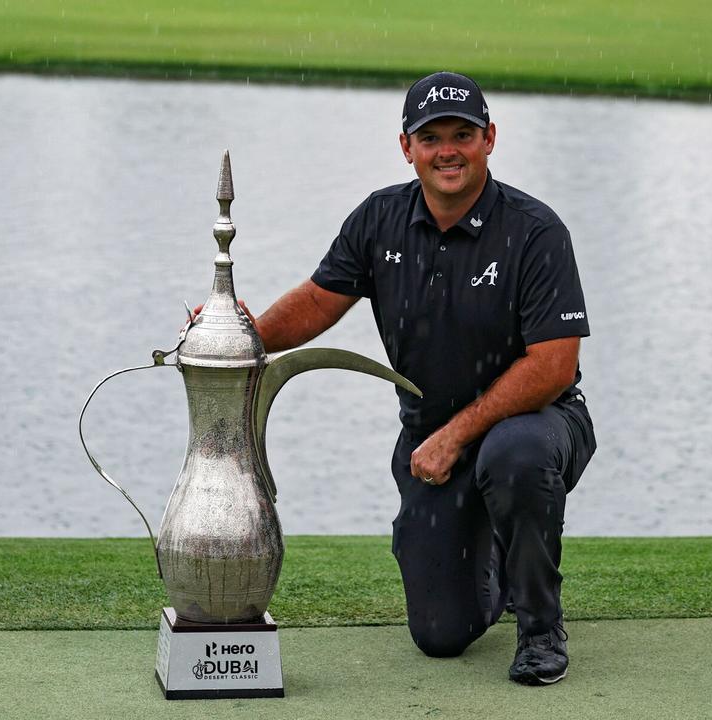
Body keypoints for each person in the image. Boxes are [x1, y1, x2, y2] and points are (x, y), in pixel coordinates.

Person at [202, 71, 595, 685]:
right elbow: (316, 301)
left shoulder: (535, 231)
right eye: (430, 136)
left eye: (462, 134)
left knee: (514, 457)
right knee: (439, 636)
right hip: (432, 441)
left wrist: (458, 434)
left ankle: (541, 629)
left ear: (489, 138)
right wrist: (238, 331)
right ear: (406, 146)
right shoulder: (379, 220)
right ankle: (496, 558)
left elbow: (553, 365)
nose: (447, 150)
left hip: (537, 423)